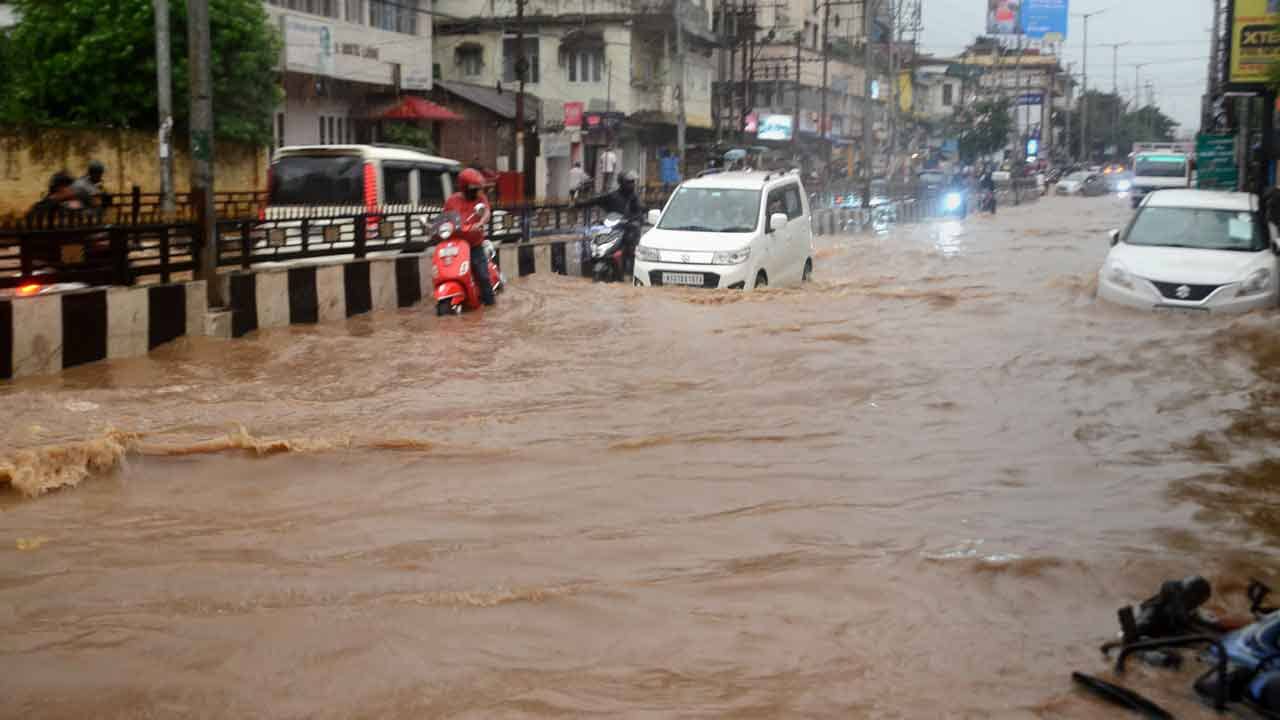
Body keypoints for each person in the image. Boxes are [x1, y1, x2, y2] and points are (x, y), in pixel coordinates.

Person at [442, 168, 495, 306]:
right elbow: (444, 219)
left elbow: (486, 212)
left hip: (474, 245)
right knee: (445, 271)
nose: (478, 191)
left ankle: (490, 303)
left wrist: (481, 223)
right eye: (475, 188)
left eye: (478, 188)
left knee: (483, 276)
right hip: (456, 245)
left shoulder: (480, 199)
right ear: (465, 188)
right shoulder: (452, 201)